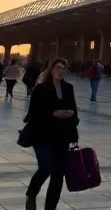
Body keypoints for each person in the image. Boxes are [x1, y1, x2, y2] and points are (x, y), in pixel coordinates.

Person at [23, 59, 79, 210]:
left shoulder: (68, 88)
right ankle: (32, 193)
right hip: (42, 136)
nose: (61, 70)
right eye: (58, 67)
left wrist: (71, 116)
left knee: (58, 174)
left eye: (64, 68)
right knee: (46, 167)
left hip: (62, 136)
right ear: (51, 69)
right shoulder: (40, 89)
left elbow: (74, 111)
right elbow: (33, 114)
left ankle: (50, 207)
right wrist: (53, 113)